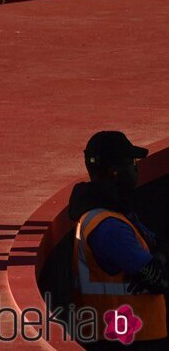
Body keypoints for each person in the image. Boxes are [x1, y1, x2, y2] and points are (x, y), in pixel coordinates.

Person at [67, 130, 167, 349]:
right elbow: (157, 279)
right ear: (114, 172)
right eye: (131, 162)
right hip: (129, 340)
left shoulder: (112, 213)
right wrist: (159, 259)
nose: (136, 167)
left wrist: (157, 255)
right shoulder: (109, 226)